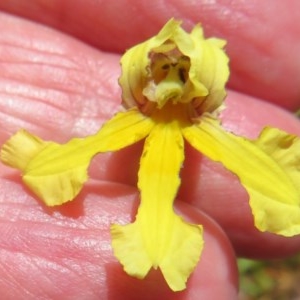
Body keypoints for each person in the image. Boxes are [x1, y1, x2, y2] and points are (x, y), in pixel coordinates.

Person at [0, 1, 300, 299]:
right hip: (151, 120)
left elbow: (279, 186)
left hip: (186, 123)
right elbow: (51, 163)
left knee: (279, 189)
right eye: (163, 71)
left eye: (182, 74)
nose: (171, 84)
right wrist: (39, 162)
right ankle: (155, 250)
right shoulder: (136, 117)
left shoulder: (193, 118)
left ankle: (158, 250)